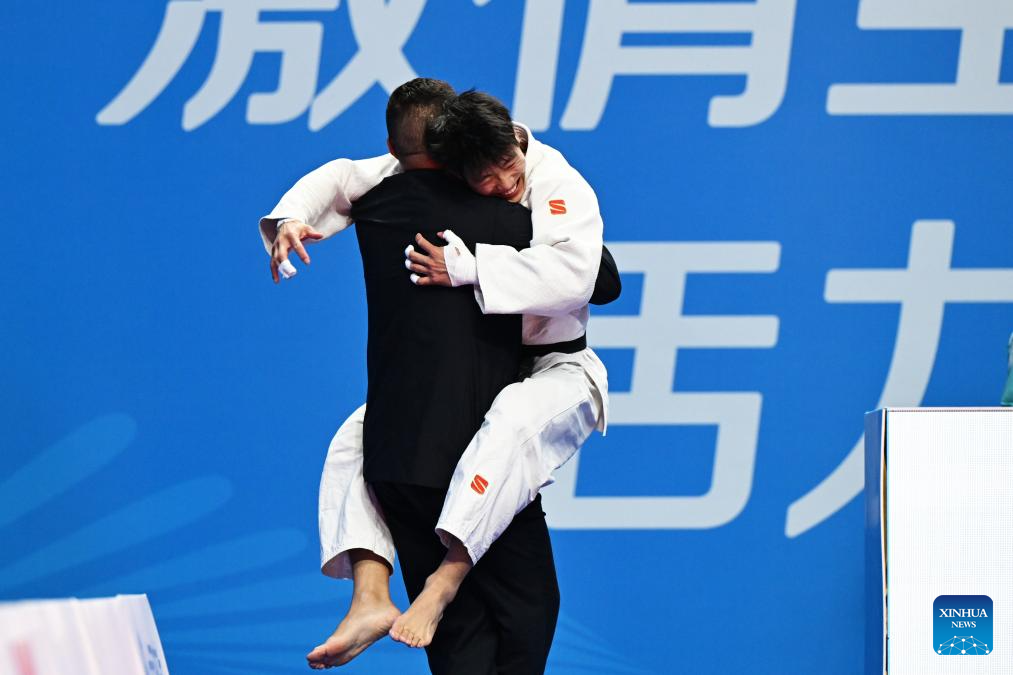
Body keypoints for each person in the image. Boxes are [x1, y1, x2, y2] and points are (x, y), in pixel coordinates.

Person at [260, 86, 615, 670]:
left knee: (506, 431)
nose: (503, 183)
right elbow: (346, 175)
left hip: (560, 371)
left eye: (508, 166)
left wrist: (470, 266)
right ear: (450, 166)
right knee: (361, 438)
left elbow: (583, 277)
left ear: (517, 140)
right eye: (483, 177)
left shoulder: (558, 182)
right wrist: (293, 217)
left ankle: (444, 582)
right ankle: (369, 594)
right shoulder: (445, 163)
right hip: (504, 374)